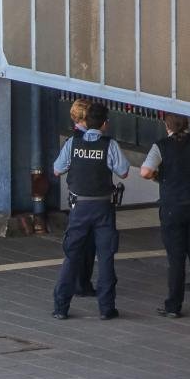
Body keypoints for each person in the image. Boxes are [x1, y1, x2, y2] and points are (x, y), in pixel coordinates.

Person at [52, 102, 129, 320]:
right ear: (104, 124)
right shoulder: (109, 144)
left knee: (71, 256)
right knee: (106, 257)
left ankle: (61, 308)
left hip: (79, 208)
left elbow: (57, 170)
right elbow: (123, 172)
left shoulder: (73, 143)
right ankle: (106, 308)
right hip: (103, 207)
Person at [140, 114, 190, 318]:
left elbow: (145, 172)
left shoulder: (161, 146)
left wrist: (160, 177)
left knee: (176, 259)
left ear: (167, 127)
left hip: (172, 208)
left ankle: (173, 305)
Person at [69, 98, 97, 297]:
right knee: (88, 243)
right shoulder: (91, 140)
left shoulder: (72, 139)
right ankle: (82, 282)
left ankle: (79, 281)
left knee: (79, 239)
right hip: (91, 197)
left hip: (76, 195)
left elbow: (58, 168)